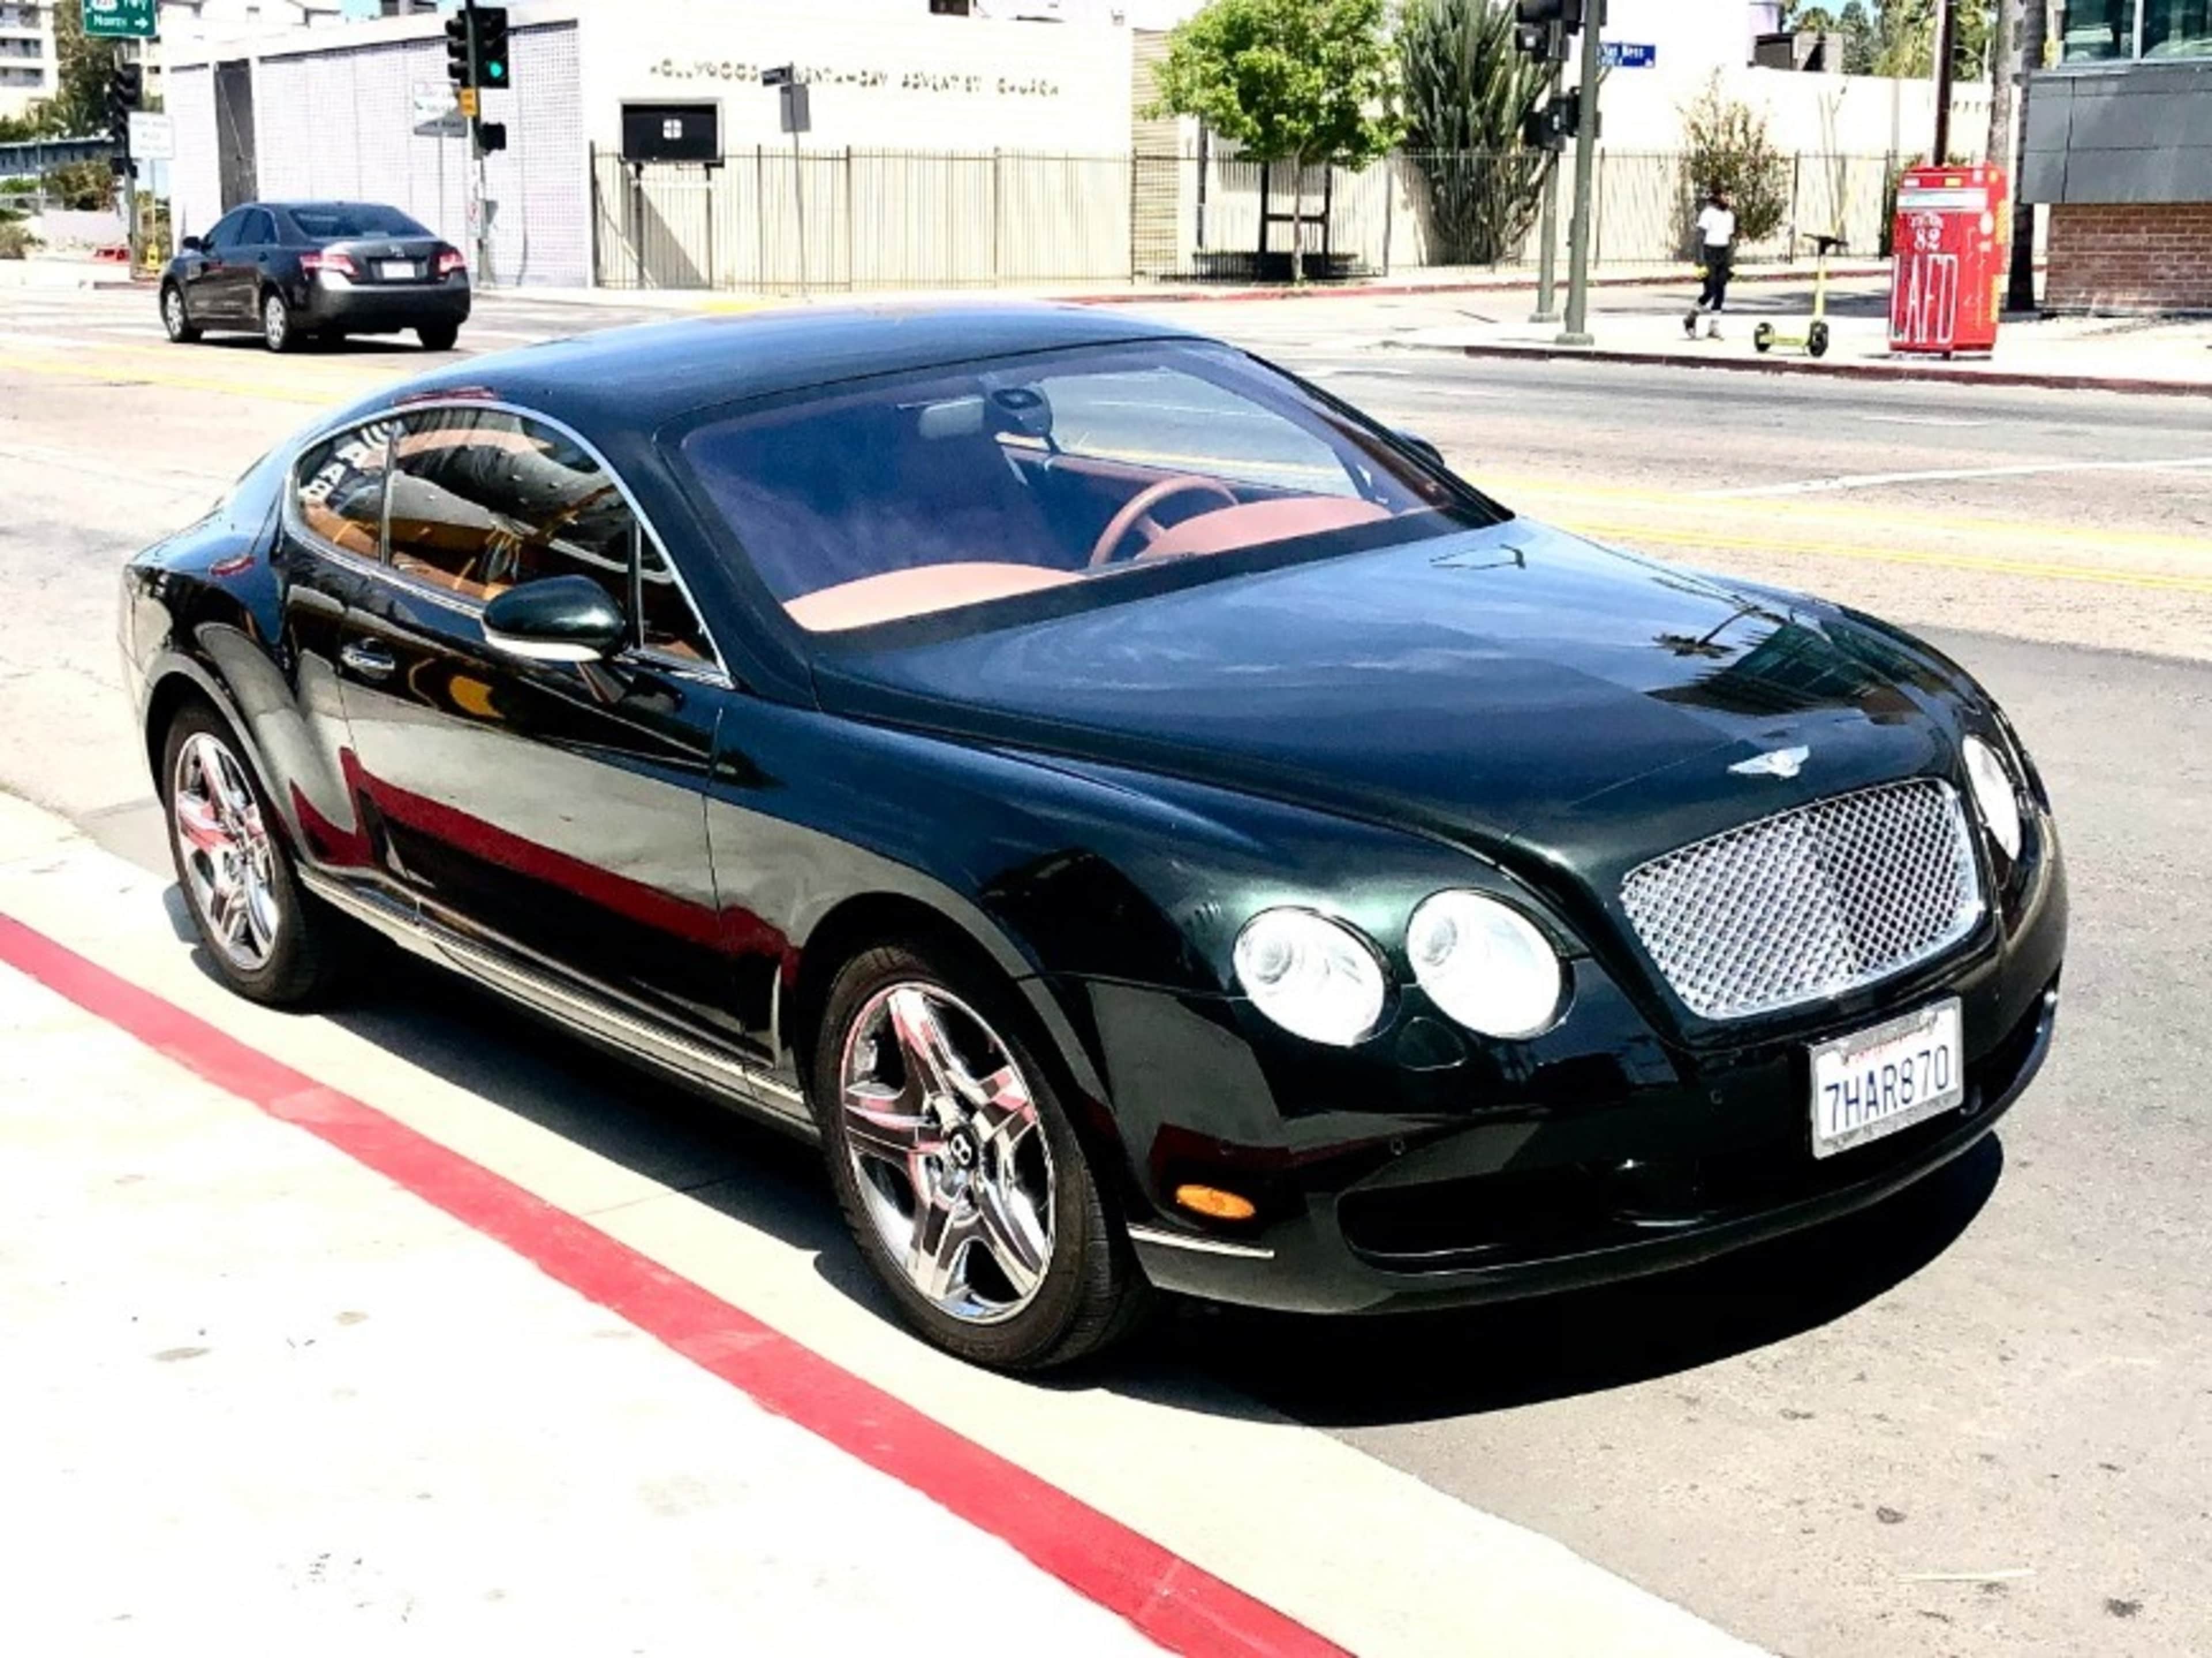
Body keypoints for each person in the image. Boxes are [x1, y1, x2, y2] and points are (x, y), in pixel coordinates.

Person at [1685, 187, 1736, 340]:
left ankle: (1714, 326)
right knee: (1711, 290)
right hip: (1709, 253)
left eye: (1730, 195)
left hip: (1723, 254)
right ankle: (1691, 318)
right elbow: (1700, 238)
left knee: (1721, 291)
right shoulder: (1708, 213)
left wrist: (1730, 261)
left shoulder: (1730, 216)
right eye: (1725, 195)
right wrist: (1700, 262)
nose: (1728, 198)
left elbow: (1730, 239)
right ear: (1718, 197)